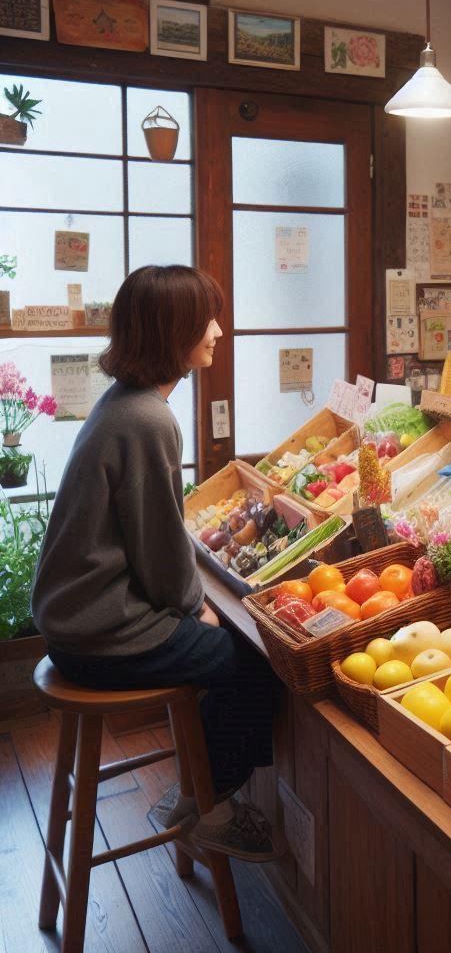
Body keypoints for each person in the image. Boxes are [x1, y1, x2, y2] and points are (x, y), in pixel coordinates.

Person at [31, 265, 281, 862]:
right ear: (174, 332)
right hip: (99, 631)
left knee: (228, 647)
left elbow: (153, 537)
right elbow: (161, 552)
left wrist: (192, 598)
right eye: (206, 320)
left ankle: (195, 797)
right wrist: (196, 606)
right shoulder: (148, 419)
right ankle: (211, 807)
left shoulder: (125, 403)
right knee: (251, 658)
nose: (218, 331)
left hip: (72, 618)